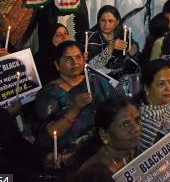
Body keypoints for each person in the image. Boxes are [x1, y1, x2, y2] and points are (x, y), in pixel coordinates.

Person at [35, 41, 117, 169]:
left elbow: (117, 106)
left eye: (78, 57)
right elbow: (51, 134)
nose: (75, 62)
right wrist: (75, 108)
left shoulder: (95, 81)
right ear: (57, 65)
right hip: (71, 156)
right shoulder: (49, 93)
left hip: (102, 146)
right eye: (68, 59)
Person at [80, 97, 140, 174]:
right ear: (104, 134)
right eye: (125, 124)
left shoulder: (130, 152)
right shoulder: (94, 173)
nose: (136, 128)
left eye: (137, 120)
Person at [87, 5, 139, 79]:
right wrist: (110, 47)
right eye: (103, 21)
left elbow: (132, 51)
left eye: (110, 21)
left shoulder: (122, 34)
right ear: (98, 21)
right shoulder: (93, 36)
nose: (106, 24)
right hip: (101, 80)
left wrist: (133, 48)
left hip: (124, 77)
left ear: (117, 22)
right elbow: (94, 65)